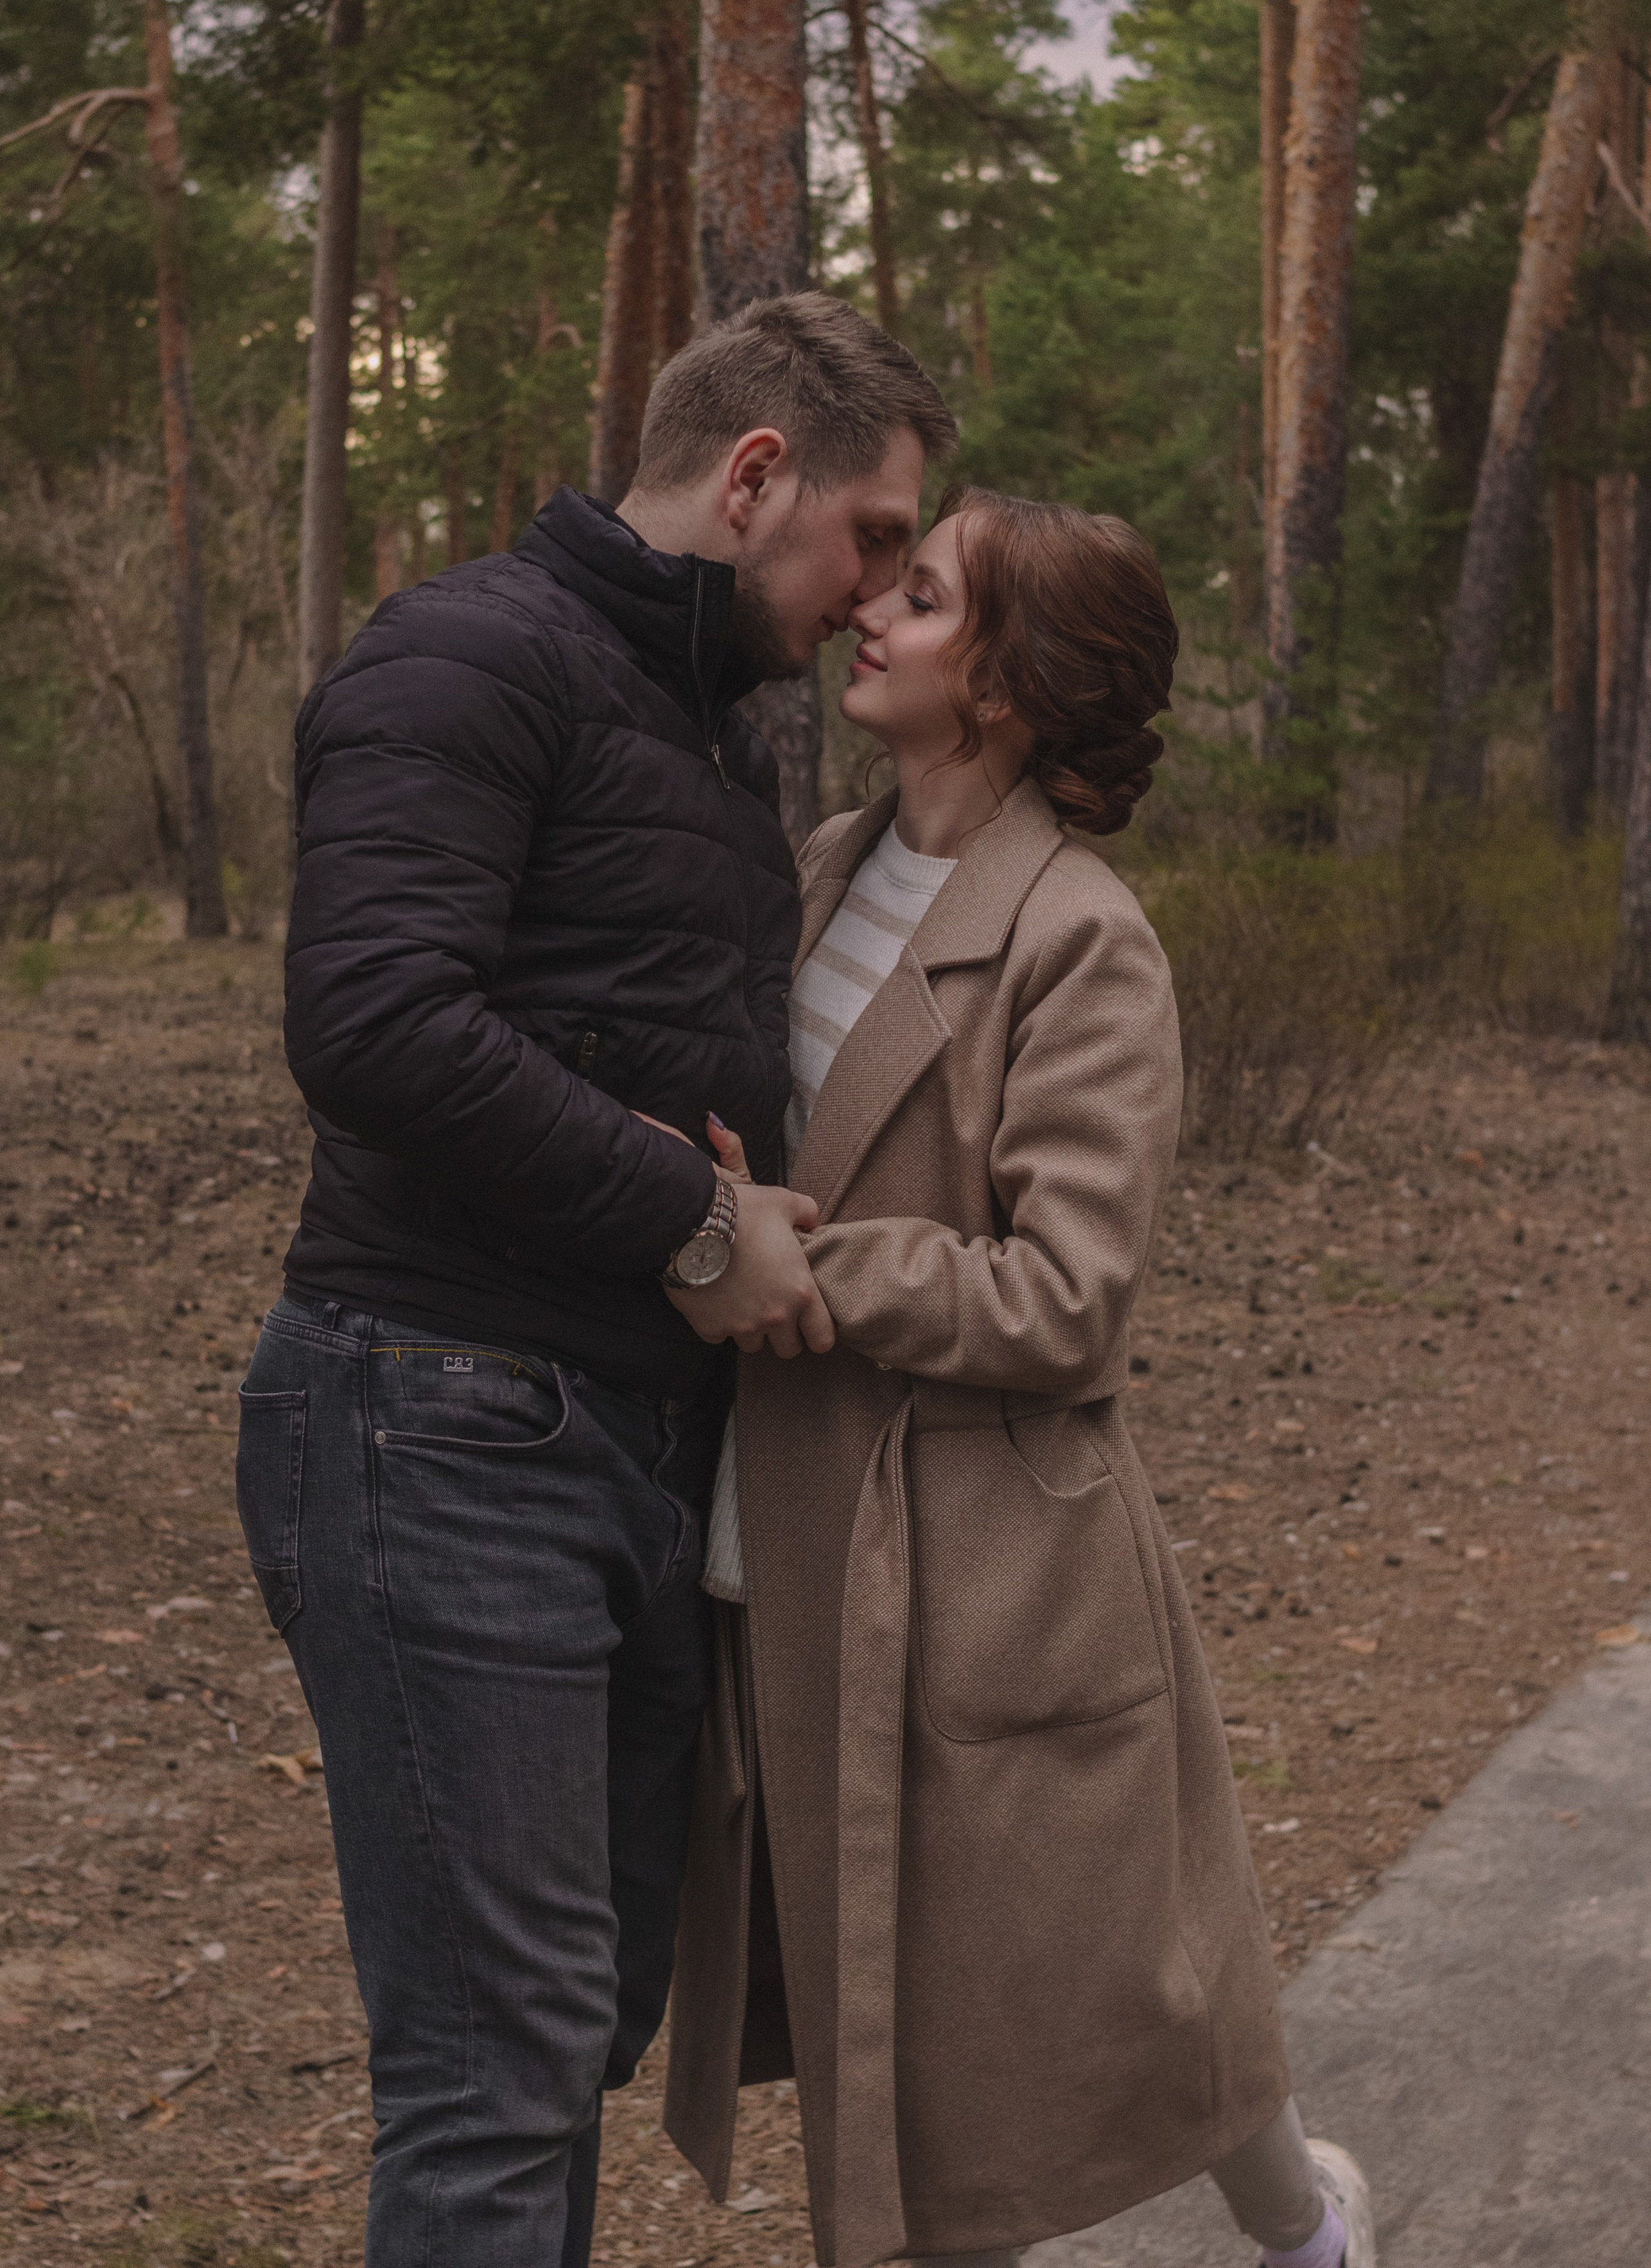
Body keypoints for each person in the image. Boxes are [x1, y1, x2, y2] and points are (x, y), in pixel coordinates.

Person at [233, 293, 957, 2268]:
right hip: (436, 1415)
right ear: (752, 481)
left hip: (622, 1448)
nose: (878, 591)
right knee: (501, 2063)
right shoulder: (471, 654)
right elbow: (373, 1020)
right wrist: (699, 1228)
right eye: (875, 537)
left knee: (580, 2017)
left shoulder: (715, 743)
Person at [662, 490, 1377, 2268]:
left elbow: (1071, 1302)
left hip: (986, 1565)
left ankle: (1306, 2232)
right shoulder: (825, 861)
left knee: (1074, 2001)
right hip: (806, 1537)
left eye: (921, 598)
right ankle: (1309, 2226)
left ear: (1005, 683)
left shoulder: (1085, 940)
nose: (867, 616)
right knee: (925, 2038)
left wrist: (791, 1260)